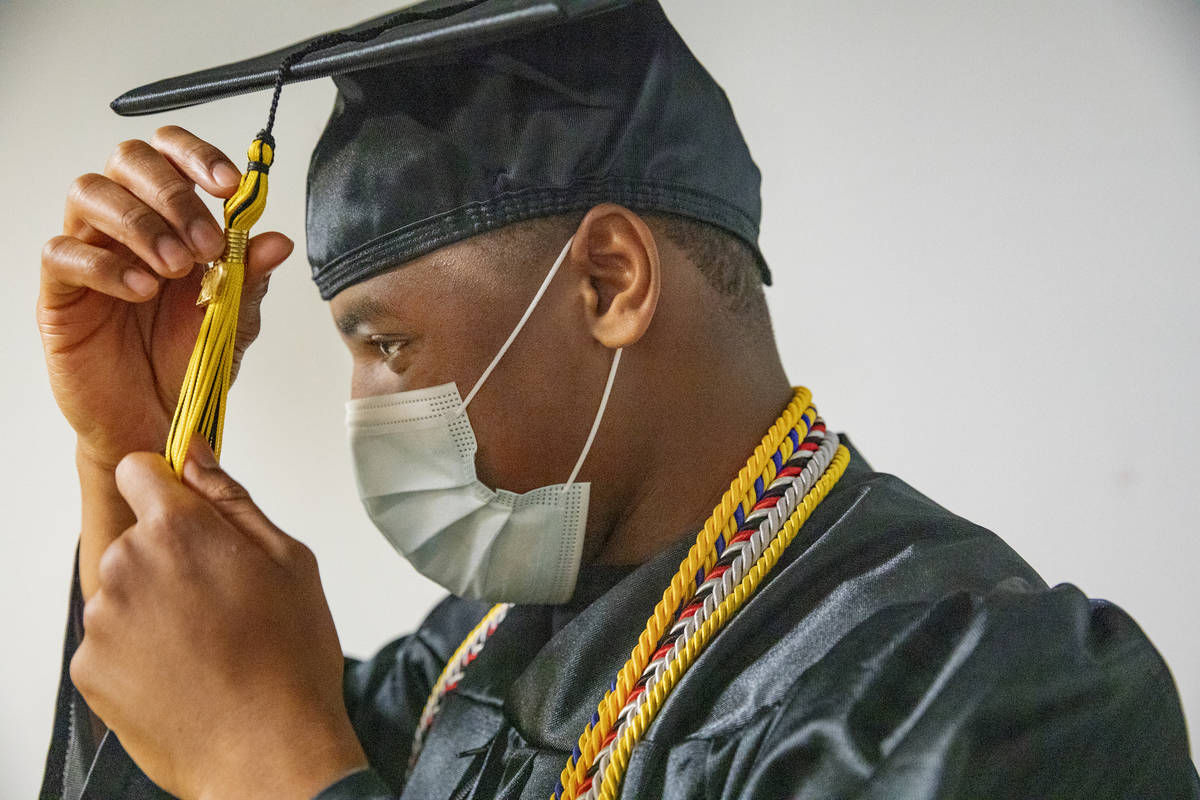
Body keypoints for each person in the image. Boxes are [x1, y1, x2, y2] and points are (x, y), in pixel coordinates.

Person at [37, 1, 1198, 798]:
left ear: (610, 282)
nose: (363, 405)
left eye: (386, 342)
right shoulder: (468, 661)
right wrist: (133, 450)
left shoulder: (994, 699)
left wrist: (274, 765)